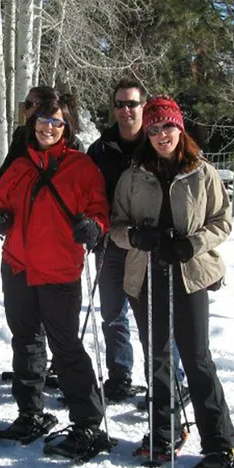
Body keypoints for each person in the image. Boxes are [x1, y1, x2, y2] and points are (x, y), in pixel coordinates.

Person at [108, 96, 234, 468]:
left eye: (167, 126)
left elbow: (222, 221)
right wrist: (137, 236)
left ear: (179, 128)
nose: (160, 135)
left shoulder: (201, 172)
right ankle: (164, 431)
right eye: (153, 129)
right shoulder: (133, 175)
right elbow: (115, 226)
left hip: (189, 273)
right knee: (156, 356)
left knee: (196, 357)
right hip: (146, 272)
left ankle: (221, 441)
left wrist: (191, 243)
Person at [0, 91, 111, 461]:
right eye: (43, 120)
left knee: (66, 346)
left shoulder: (81, 167)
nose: (49, 128)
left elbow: (99, 210)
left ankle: (88, 421)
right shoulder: (19, 164)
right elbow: (2, 201)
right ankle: (30, 413)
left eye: (57, 122)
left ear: (67, 127)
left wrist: (94, 226)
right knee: (25, 342)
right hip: (18, 266)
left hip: (58, 270)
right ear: (32, 123)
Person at [86, 77, 148, 402]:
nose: (126, 110)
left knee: (152, 319)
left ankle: (167, 382)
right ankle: (120, 374)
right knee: (112, 314)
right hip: (109, 243)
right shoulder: (99, 148)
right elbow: (87, 192)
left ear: (143, 107)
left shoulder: (156, 144)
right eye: (120, 104)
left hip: (146, 246)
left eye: (132, 104)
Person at [0, 86, 83, 184]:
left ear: (45, 107)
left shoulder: (73, 144)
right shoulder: (21, 135)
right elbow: (4, 176)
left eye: (28, 105)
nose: (23, 109)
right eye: (24, 104)